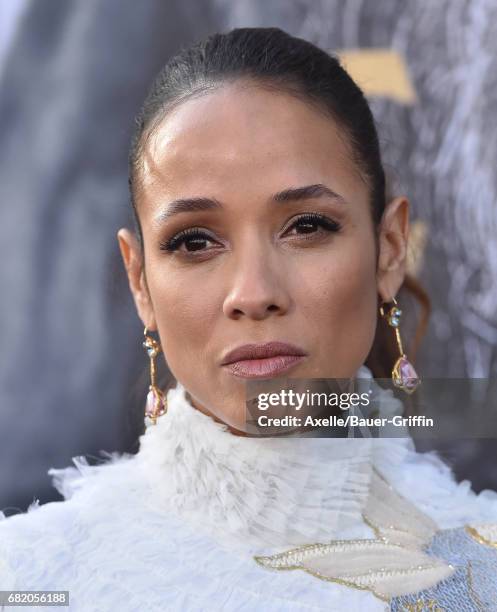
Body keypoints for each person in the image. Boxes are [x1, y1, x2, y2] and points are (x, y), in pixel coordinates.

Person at [1, 27, 496, 612]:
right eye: (194, 241)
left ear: (389, 249)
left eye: (307, 226)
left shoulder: (482, 563)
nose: (254, 293)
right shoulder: (31, 579)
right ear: (140, 282)